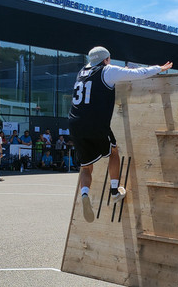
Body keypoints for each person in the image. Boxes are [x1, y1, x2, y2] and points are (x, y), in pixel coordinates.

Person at [68, 45, 172, 222]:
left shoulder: (81, 72)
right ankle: (115, 191)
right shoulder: (107, 70)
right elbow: (138, 74)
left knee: (86, 166)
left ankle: (85, 193)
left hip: (74, 123)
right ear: (106, 59)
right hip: (96, 123)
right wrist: (159, 68)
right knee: (113, 152)